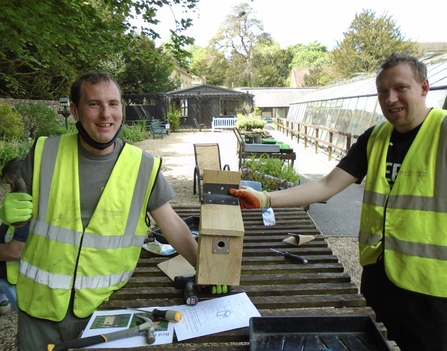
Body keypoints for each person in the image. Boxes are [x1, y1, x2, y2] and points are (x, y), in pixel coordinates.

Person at [229, 53, 447, 351]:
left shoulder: (442, 132)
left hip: (432, 289)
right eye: (382, 91)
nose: (390, 98)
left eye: (400, 88)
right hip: (379, 277)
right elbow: (326, 185)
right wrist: (265, 198)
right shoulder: (376, 137)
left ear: (424, 88)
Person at [0, 70, 198, 351]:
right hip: (38, 307)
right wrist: (6, 214)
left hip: (104, 306)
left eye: (113, 104)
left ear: (122, 108)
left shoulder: (143, 166)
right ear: (75, 110)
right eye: (94, 104)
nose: (106, 114)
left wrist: (207, 269)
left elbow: (174, 225)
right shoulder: (45, 152)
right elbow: (18, 217)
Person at [0, 157, 29, 315]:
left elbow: (15, 252)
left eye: (11, 184)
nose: (10, 190)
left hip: (12, 269)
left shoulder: (27, 209)